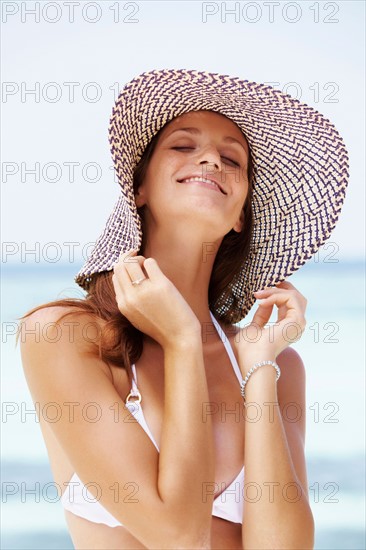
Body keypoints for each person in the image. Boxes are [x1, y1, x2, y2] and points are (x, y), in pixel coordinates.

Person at [17, 68, 349, 549]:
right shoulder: (67, 336)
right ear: (140, 189)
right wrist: (180, 341)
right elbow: (178, 535)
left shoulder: (275, 365)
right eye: (182, 146)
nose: (212, 159)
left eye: (232, 159)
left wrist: (257, 367)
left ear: (240, 216)